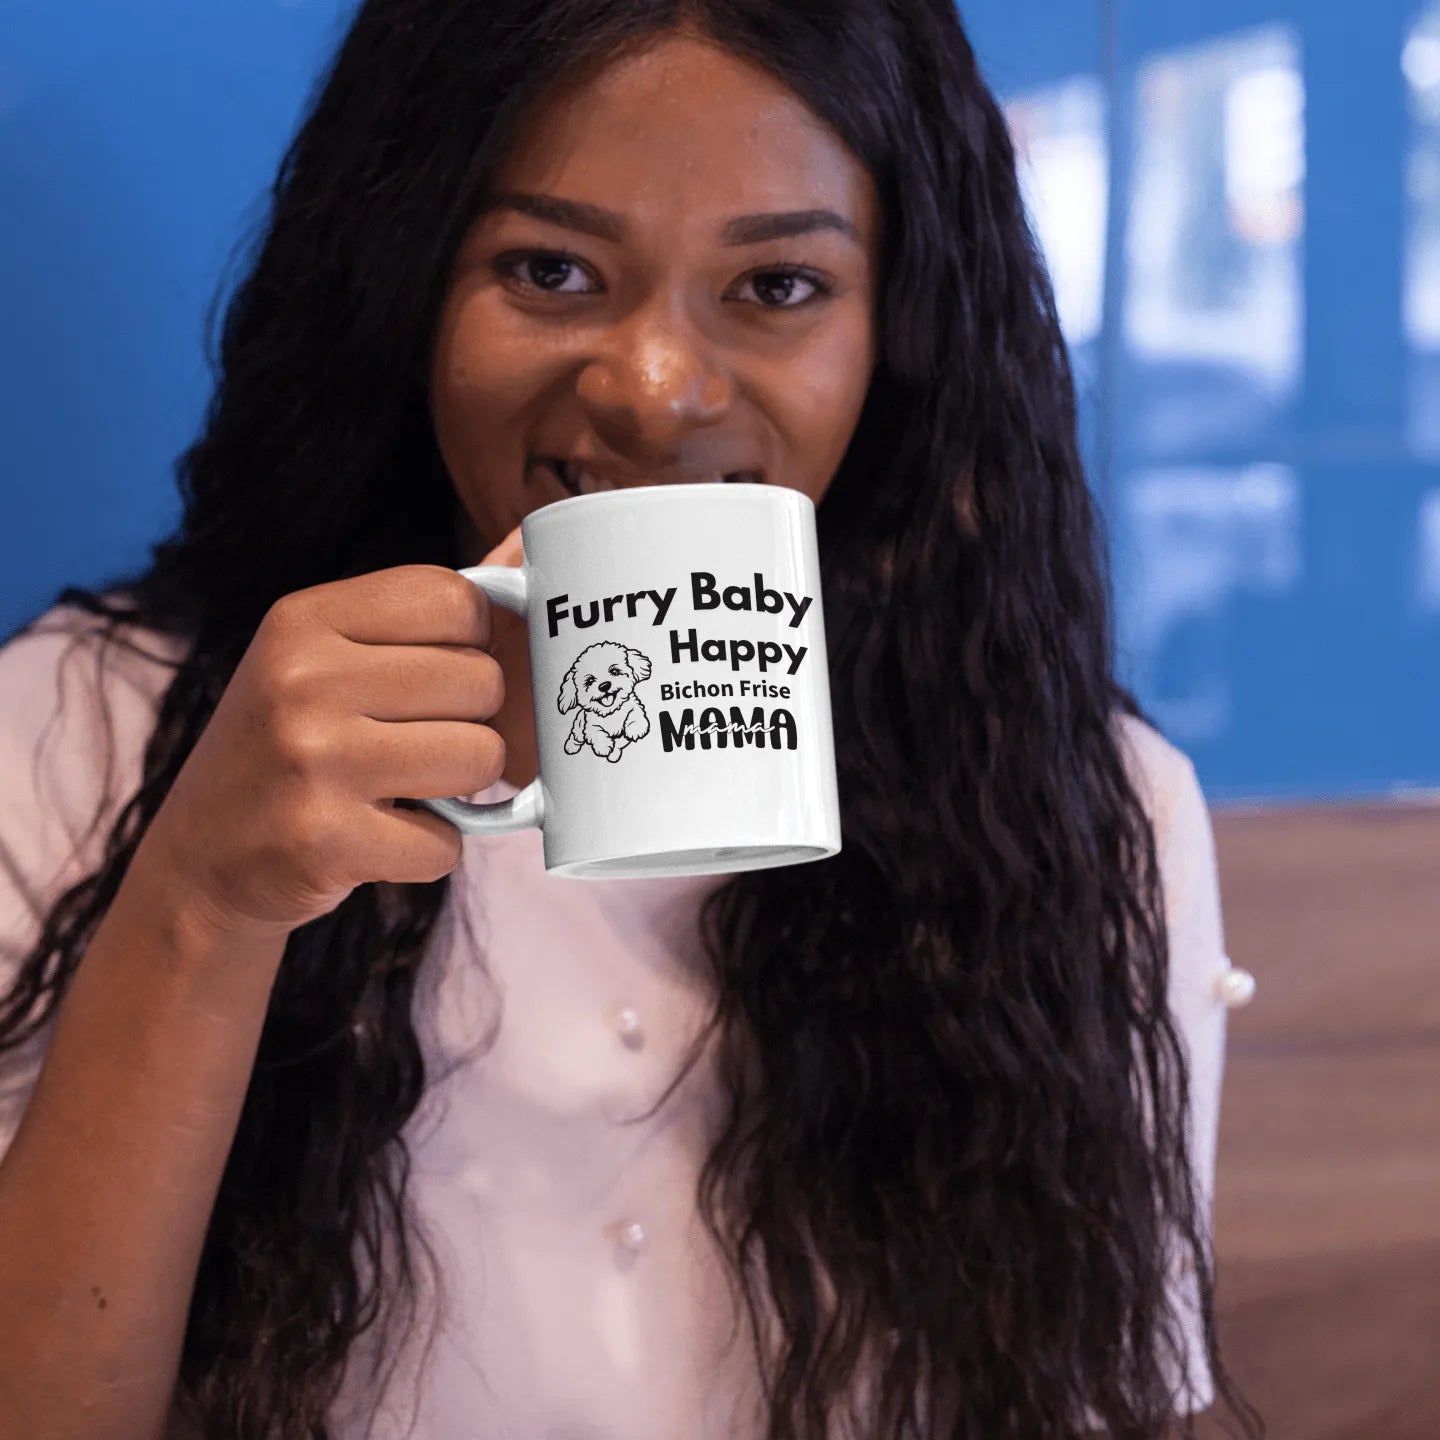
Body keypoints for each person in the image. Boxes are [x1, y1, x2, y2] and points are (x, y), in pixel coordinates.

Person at [0, 2, 1266, 1438]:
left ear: (904, 336)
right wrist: (204, 900)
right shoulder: (84, 735)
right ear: (401, 283)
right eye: (551, 269)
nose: (657, 395)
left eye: (779, 286)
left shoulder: (1086, 809)